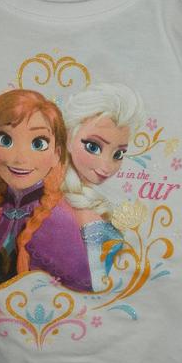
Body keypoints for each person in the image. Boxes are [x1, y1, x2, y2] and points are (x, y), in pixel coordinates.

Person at [0, 89, 93, 292]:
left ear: (57, 154)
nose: (20, 158)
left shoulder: (61, 221)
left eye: (38, 143)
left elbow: (78, 297)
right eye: (5, 140)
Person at [61, 83, 145, 291]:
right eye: (93, 146)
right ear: (68, 137)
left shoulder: (88, 201)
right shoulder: (61, 205)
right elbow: (94, 286)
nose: (106, 167)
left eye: (118, 154)